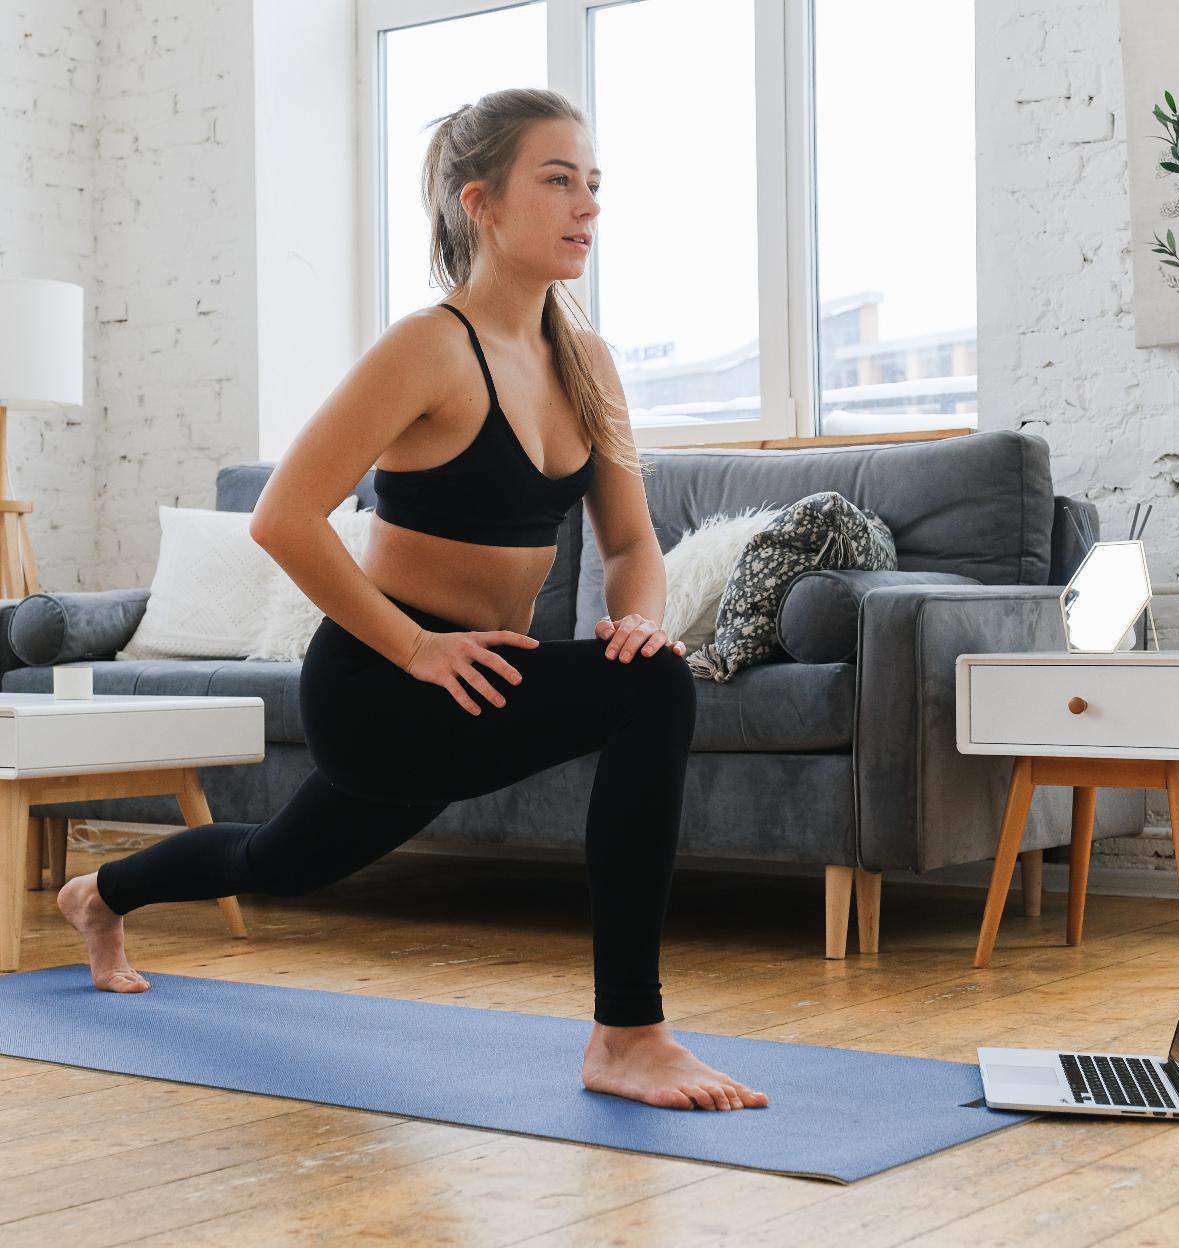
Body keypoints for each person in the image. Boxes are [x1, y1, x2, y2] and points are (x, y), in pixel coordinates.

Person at [56, 88, 768, 1113]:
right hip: (384, 683)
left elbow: (629, 542)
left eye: (594, 185)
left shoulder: (587, 362)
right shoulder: (425, 348)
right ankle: (627, 1035)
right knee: (652, 693)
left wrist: (641, 614)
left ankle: (99, 893)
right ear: (481, 200)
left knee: (281, 861)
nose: (587, 207)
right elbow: (284, 517)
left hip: (473, 684)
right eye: (557, 181)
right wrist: (414, 649)